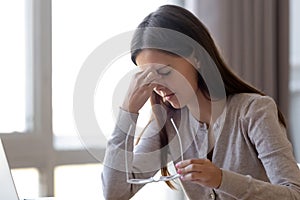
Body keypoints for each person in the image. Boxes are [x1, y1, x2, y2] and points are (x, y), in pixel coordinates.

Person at [101, 4, 300, 200]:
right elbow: (115, 193)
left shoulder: (252, 111)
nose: (158, 86)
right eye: (149, 77)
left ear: (196, 57)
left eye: (164, 72)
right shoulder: (169, 124)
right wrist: (128, 112)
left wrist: (221, 179)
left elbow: (294, 194)